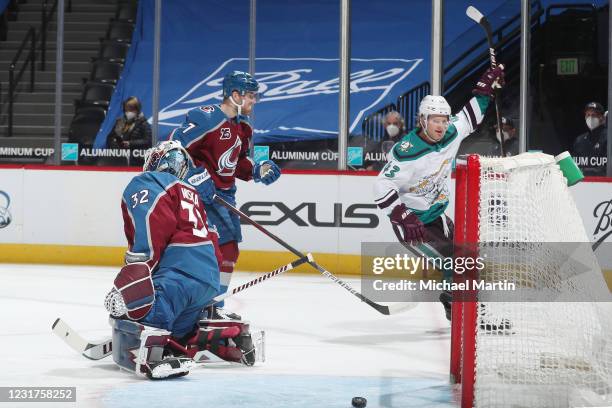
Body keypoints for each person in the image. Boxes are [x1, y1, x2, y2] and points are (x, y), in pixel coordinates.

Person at [104, 140, 257, 379]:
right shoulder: (192, 193)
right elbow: (214, 243)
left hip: (177, 280)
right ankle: (226, 338)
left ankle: (157, 352)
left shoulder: (149, 182)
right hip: (207, 284)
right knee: (178, 331)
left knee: (137, 315)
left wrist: (138, 269)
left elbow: (151, 228)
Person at [373, 65, 505, 320]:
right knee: (454, 262)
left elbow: (469, 116)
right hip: (414, 224)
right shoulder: (408, 151)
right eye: (435, 120)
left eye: (444, 120)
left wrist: (485, 90)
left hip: (439, 217)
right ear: (423, 120)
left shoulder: (451, 133)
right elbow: (381, 185)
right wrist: (402, 214)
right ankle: (465, 312)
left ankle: (452, 302)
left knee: (466, 260)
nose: (441, 125)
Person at [169, 71, 281, 320]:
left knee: (229, 251)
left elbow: (235, 163)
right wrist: (194, 176)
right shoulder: (207, 118)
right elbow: (174, 148)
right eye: (250, 95)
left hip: (224, 197)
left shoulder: (243, 127)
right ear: (234, 95)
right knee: (209, 250)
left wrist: (257, 170)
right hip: (197, 196)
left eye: (255, 95)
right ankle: (191, 303)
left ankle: (212, 306)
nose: (254, 100)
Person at [572, 101, 608, 176]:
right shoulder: (579, 140)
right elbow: (574, 165)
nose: (590, 118)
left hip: (604, 183)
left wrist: (584, 172)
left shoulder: (608, 137)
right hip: (582, 183)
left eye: (594, 115)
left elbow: (607, 168)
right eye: (588, 115)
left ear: (601, 117)